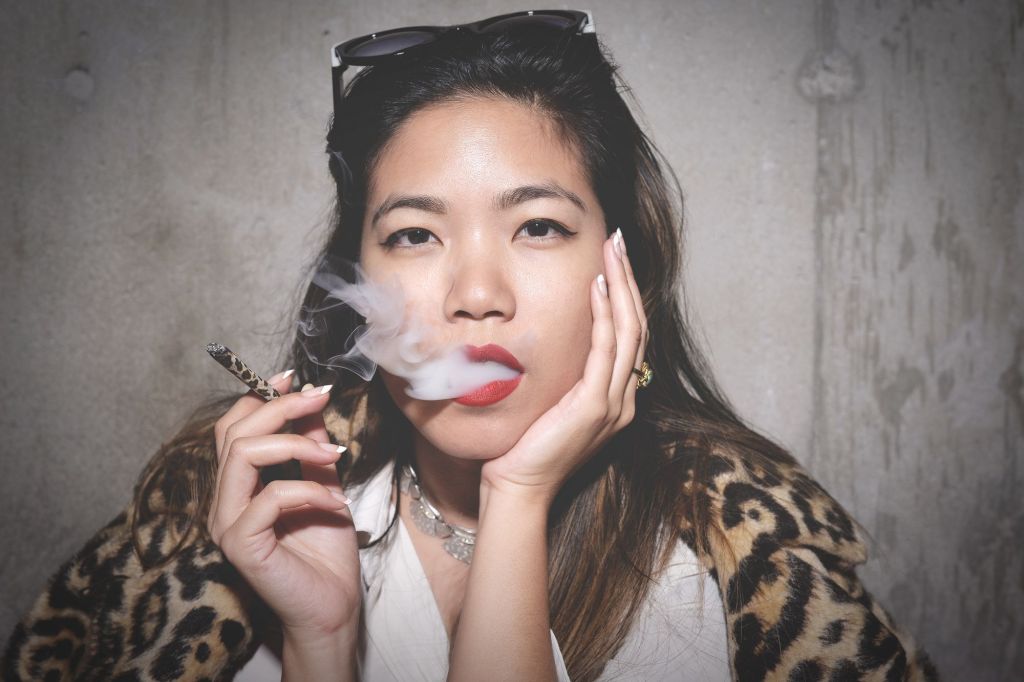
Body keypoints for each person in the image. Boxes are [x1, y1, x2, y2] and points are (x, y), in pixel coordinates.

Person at [2, 10, 939, 682]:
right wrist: (323, 644)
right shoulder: (216, 534)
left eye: (538, 227)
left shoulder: (740, 578)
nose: (477, 296)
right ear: (356, 277)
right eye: (415, 235)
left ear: (624, 267)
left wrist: (517, 498)